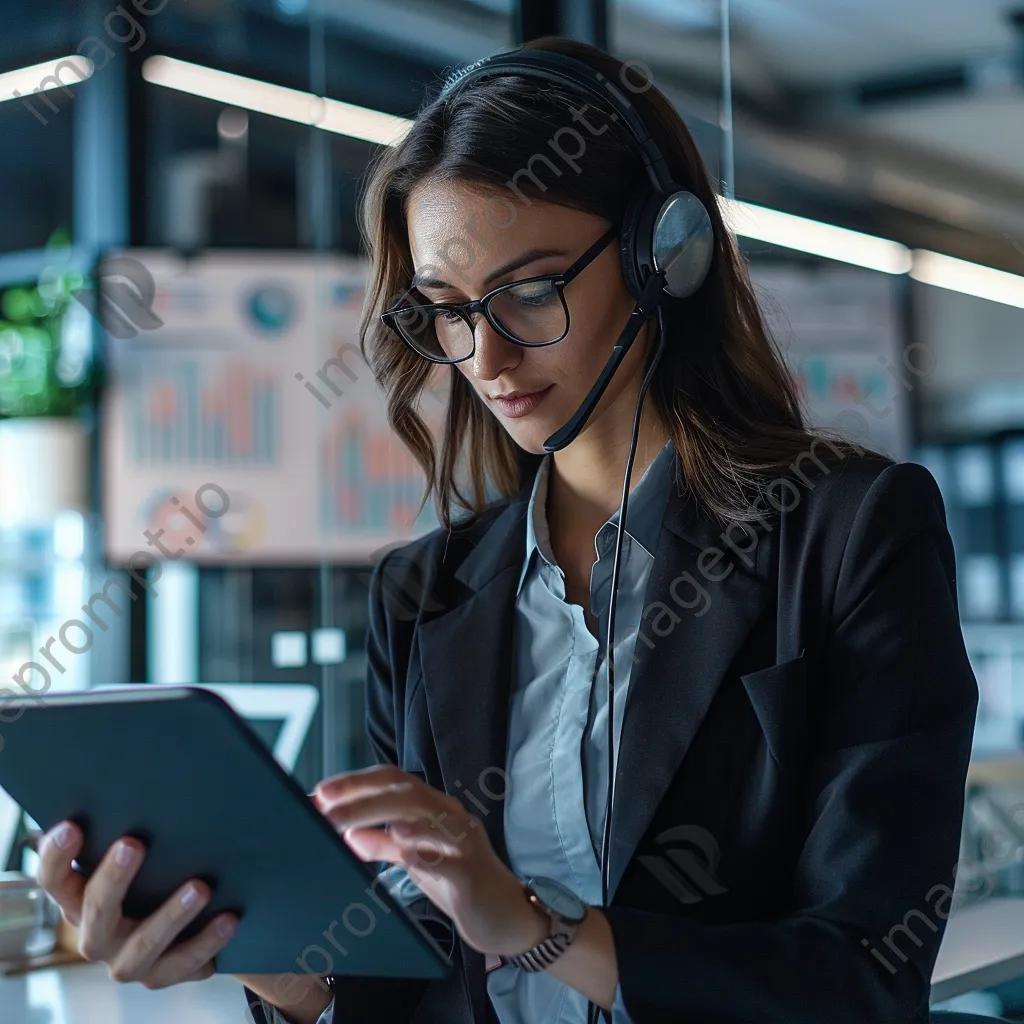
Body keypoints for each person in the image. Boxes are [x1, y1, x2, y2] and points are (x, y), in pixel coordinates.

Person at [35, 34, 978, 1024]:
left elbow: (868, 977)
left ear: (661, 255)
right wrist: (265, 958)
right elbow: (424, 985)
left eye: (529, 290)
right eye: (447, 309)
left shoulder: (850, 531)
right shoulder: (422, 592)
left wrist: (539, 926)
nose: (484, 355)